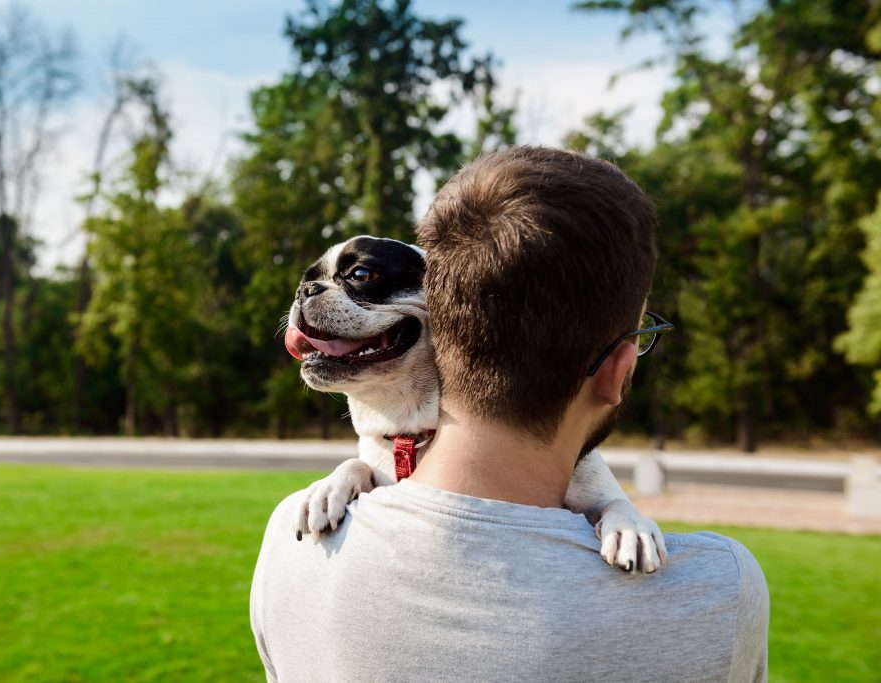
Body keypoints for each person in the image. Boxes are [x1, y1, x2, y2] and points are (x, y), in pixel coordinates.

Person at [250, 146, 769, 682]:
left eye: (358, 276)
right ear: (618, 368)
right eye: (642, 336)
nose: (312, 294)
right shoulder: (720, 592)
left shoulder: (288, 543)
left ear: (447, 315)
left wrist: (619, 511)